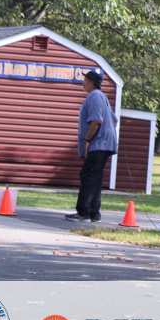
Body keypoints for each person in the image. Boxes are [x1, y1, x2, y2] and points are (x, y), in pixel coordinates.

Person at [66, 71, 117, 223]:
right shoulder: (102, 97)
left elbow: (96, 121)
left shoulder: (94, 96)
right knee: (96, 177)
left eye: (85, 80)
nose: (83, 83)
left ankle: (83, 213)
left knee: (88, 176)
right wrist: (107, 134)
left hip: (97, 144)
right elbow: (114, 120)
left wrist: (87, 140)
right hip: (105, 143)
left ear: (92, 82)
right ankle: (94, 213)